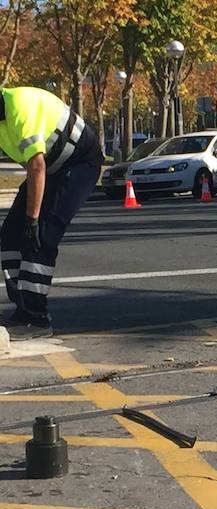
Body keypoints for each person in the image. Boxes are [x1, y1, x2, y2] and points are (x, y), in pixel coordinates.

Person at [0, 86, 103, 340]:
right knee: (10, 237)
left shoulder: (19, 107)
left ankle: (36, 319)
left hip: (80, 163)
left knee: (40, 237)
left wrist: (32, 219)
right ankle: (23, 308)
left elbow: (36, 165)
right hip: (52, 168)